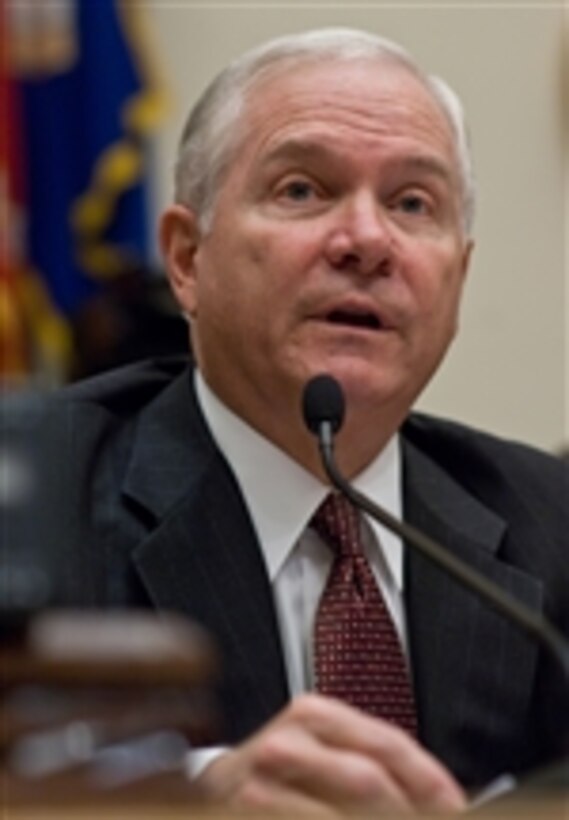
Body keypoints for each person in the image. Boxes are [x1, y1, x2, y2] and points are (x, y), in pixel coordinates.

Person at [4, 28, 567, 815]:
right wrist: (188, 801)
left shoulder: (549, 519)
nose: (368, 241)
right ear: (187, 260)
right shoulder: (34, 495)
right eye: (302, 189)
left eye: (412, 203)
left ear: (457, 276)